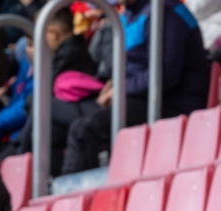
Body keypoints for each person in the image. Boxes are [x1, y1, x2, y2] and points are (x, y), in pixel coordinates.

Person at [63, 0, 210, 174]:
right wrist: (115, 85)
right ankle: (58, 193)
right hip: (143, 97)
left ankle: (98, 191)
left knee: (87, 129)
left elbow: (163, 76)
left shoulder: (165, 12)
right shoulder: (131, 13)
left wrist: (121, 89)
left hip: (173, 102)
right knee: (57, 122)